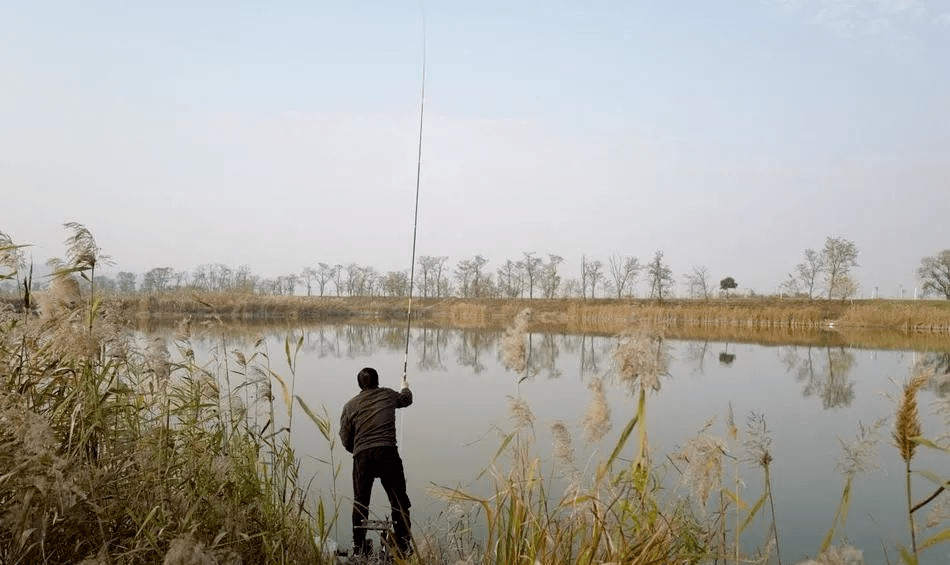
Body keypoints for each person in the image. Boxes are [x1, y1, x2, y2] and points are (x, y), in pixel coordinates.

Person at [339, 367, 414, 557]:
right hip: (388, 453)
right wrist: (405, 387)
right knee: (399, 502)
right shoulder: (388, 395)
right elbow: (407, 399)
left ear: (359, 385)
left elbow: (345, 439)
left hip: (362, 457)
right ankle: (404, 546)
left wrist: (357, 449)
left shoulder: (350, 406)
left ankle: (358, 547)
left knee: (361, 503)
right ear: (377, 381)